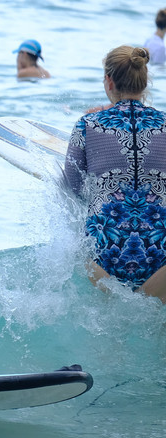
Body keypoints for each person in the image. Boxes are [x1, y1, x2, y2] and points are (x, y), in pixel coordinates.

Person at [62, 45, 166, 301]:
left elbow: (71, 188)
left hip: (105, 252)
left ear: (109, 81)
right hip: (160, 252)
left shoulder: (87, 125)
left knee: (107, 335)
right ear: (144, 81)